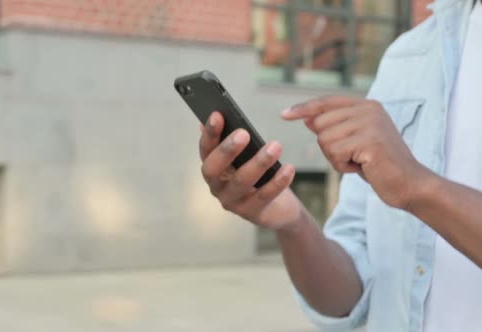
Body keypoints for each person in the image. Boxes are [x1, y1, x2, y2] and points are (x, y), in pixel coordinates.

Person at [195, 0, 481, 331]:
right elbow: (348, 296)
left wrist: (418, 187)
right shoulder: (410, 54)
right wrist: (293, 223)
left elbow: (412, 185)